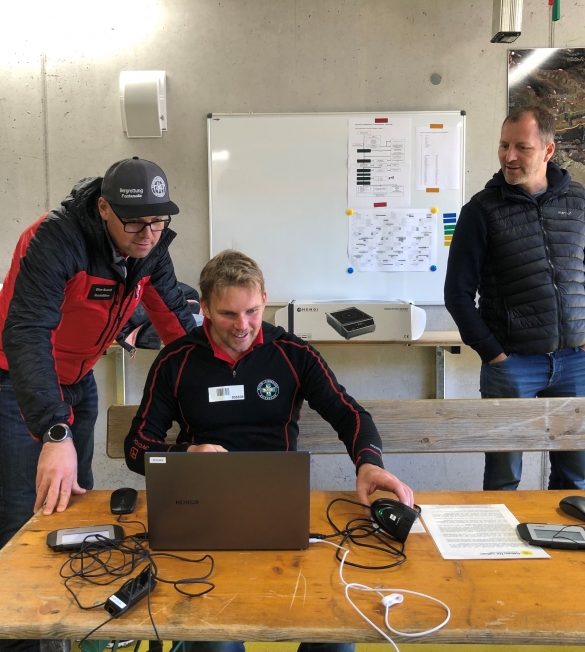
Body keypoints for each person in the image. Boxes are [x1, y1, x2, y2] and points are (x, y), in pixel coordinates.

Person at [124, 250, 414, 652]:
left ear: (264, 299)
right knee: (214, 643)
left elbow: (350, 414)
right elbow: (137, 447)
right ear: (204, 307)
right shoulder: (176, 360)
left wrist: (369, 463)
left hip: (280, 509)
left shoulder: (293, 353)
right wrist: (185, 455)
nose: (242, 326)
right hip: (202, 510)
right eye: (227, 314)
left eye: (252, 311)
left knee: (336, 633)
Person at [0, 157, 195, 652]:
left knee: (74, 512)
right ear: (104, 208)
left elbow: (174, 317)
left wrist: (212, 374)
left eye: (159, 221)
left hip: (77, 375)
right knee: (23, 515)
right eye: (136, 222)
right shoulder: (55, 238)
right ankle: (23, 645)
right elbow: (27, 333)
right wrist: (55, 432)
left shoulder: (150, 245)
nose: (149, 234)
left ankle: (68, 630)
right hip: (14, 376)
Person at [444, 106, 585, 492]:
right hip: (513, 364)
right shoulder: (481, 211)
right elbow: (457, 293)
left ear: (548, 150)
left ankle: (565, 534)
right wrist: (493, 353)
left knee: (574, 479)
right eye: (504, 146)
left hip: (576, 359)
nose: (510, 156)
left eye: (522, 147)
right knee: (504, 479)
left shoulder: (578, 201)